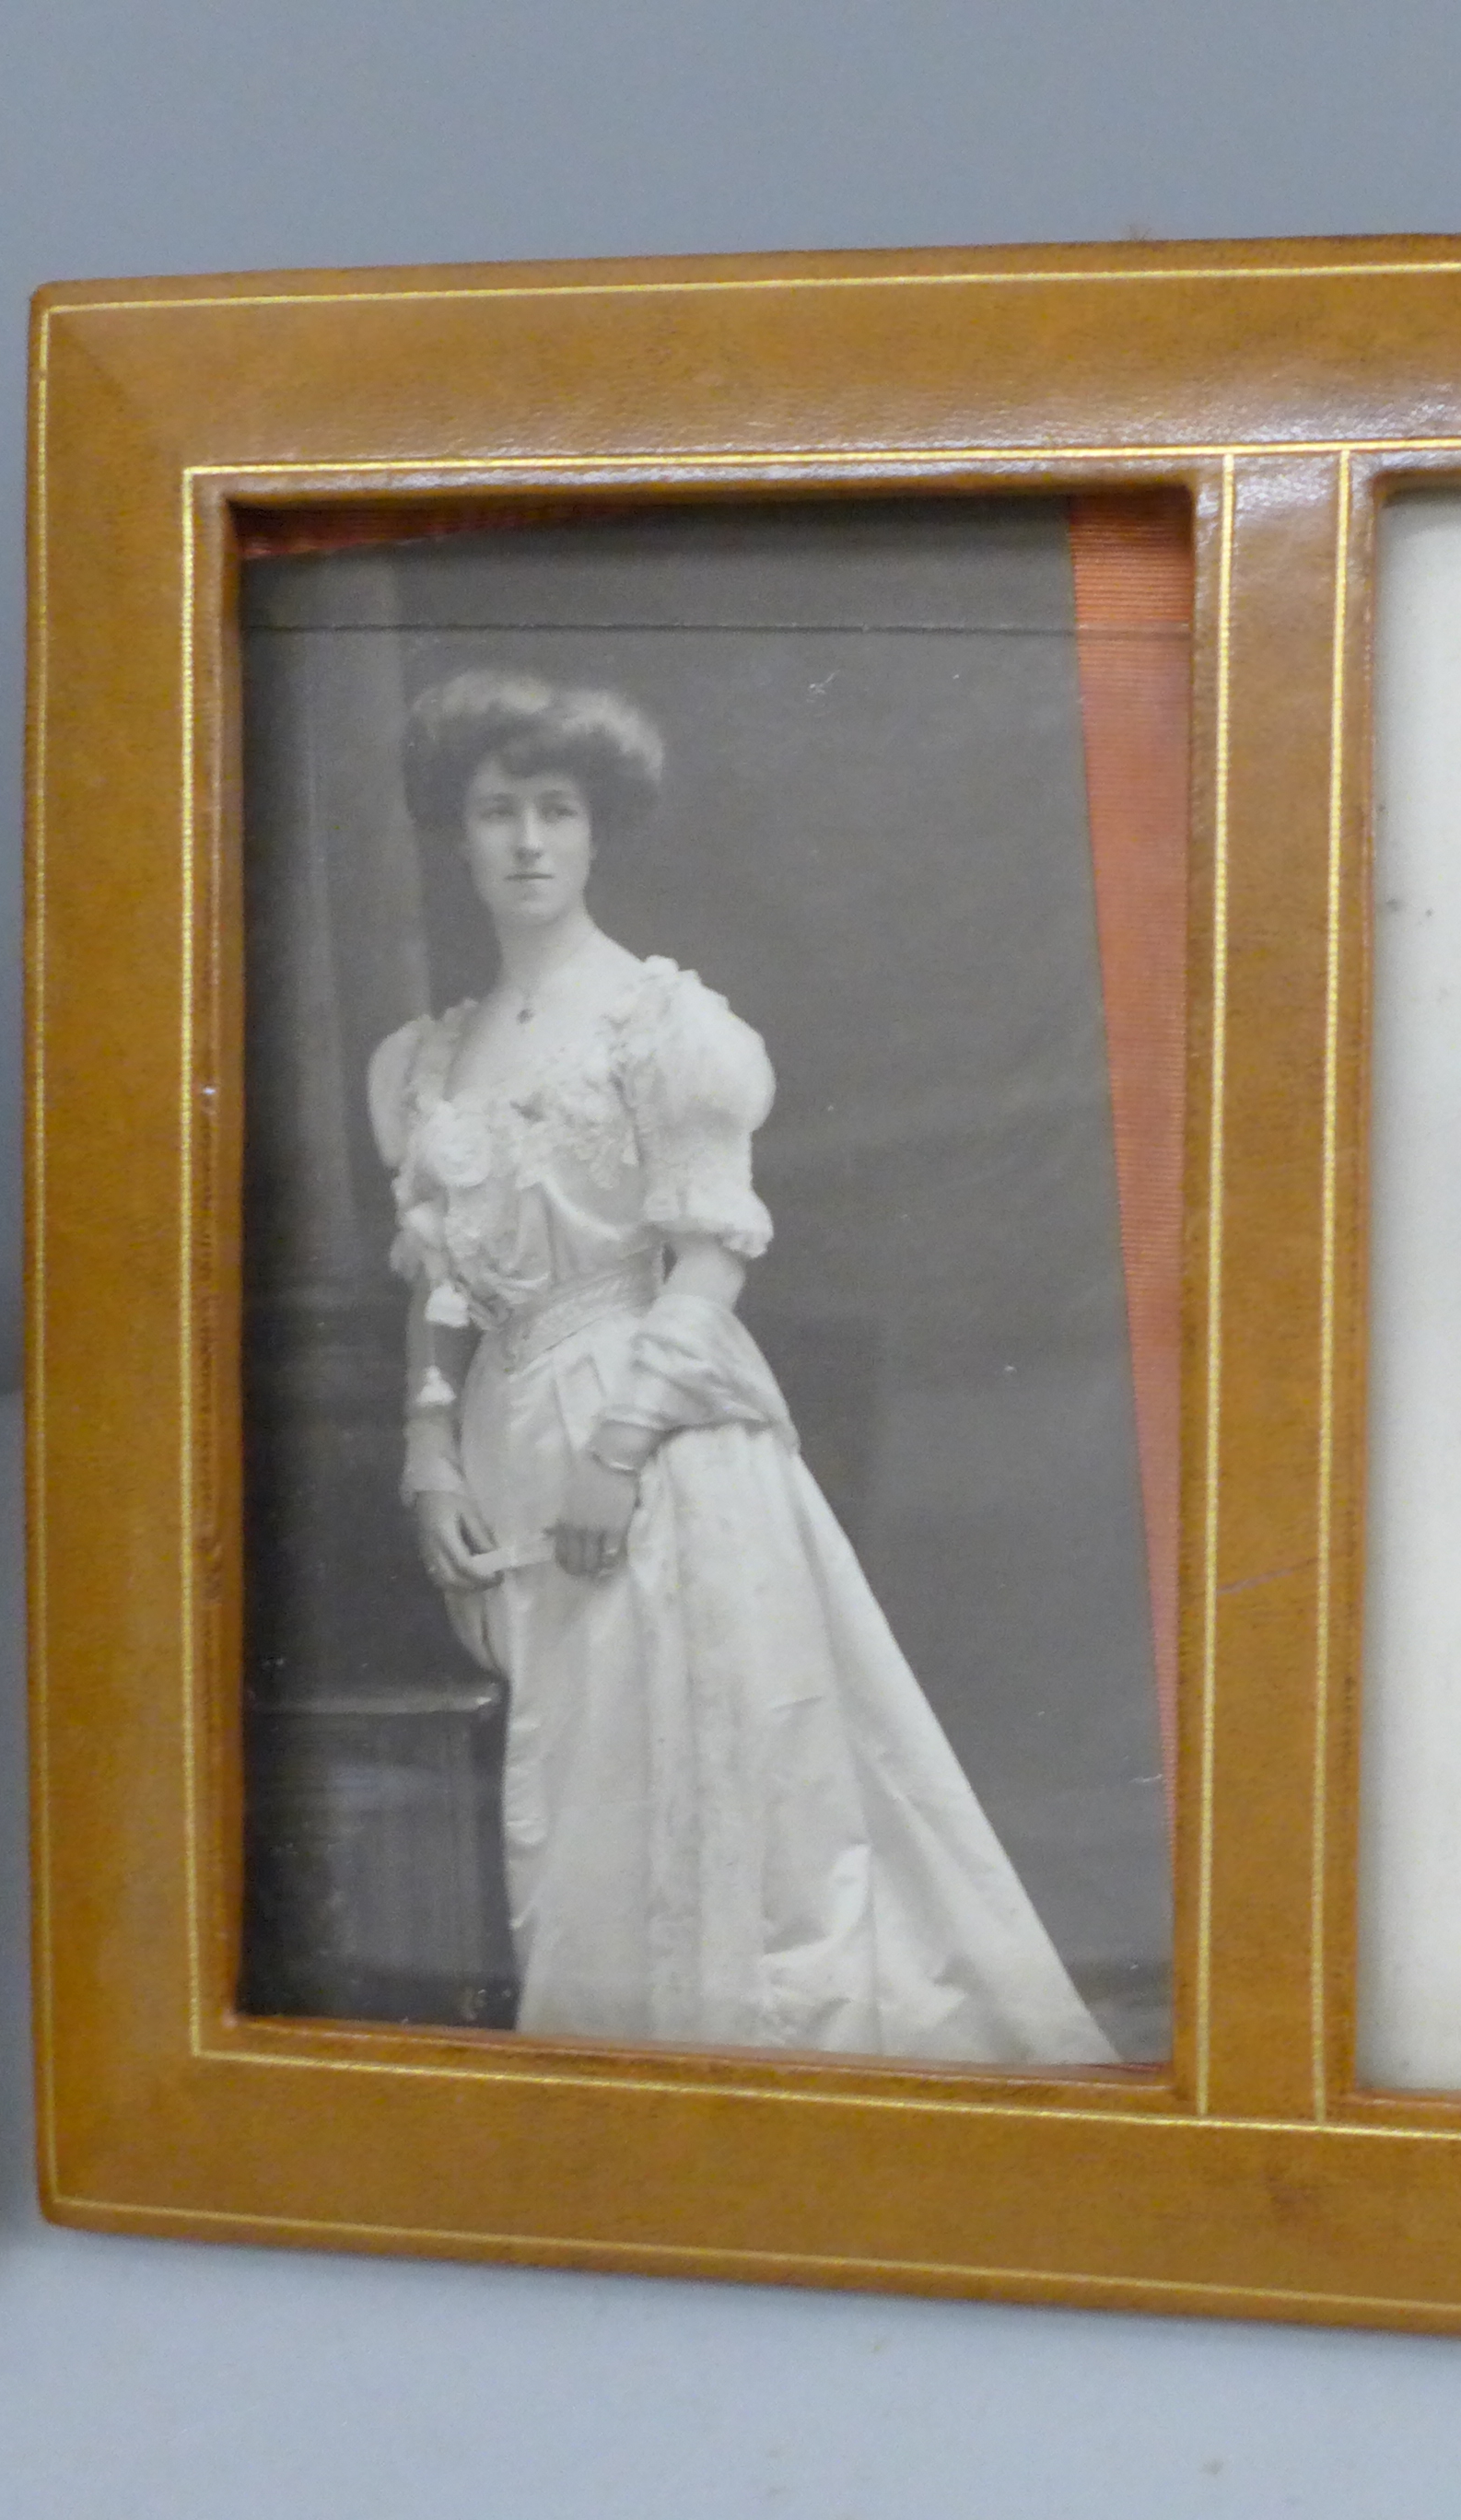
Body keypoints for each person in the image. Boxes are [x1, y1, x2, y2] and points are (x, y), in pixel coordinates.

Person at [368, 666, 1116, 2065]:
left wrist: (616, 1451)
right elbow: (442, 1278)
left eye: (555, 810)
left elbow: (708, 1256)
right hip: (502, 1440)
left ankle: (743, 2074)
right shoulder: (425, 1061)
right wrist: (424, 1449)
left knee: (702, 1769)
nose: (527, 842)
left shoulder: (665, 1028)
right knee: (574, 1788)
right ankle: (621, 2077)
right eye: (495, 812)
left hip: (657, 1434)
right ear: (454, 833)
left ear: (597, 833)